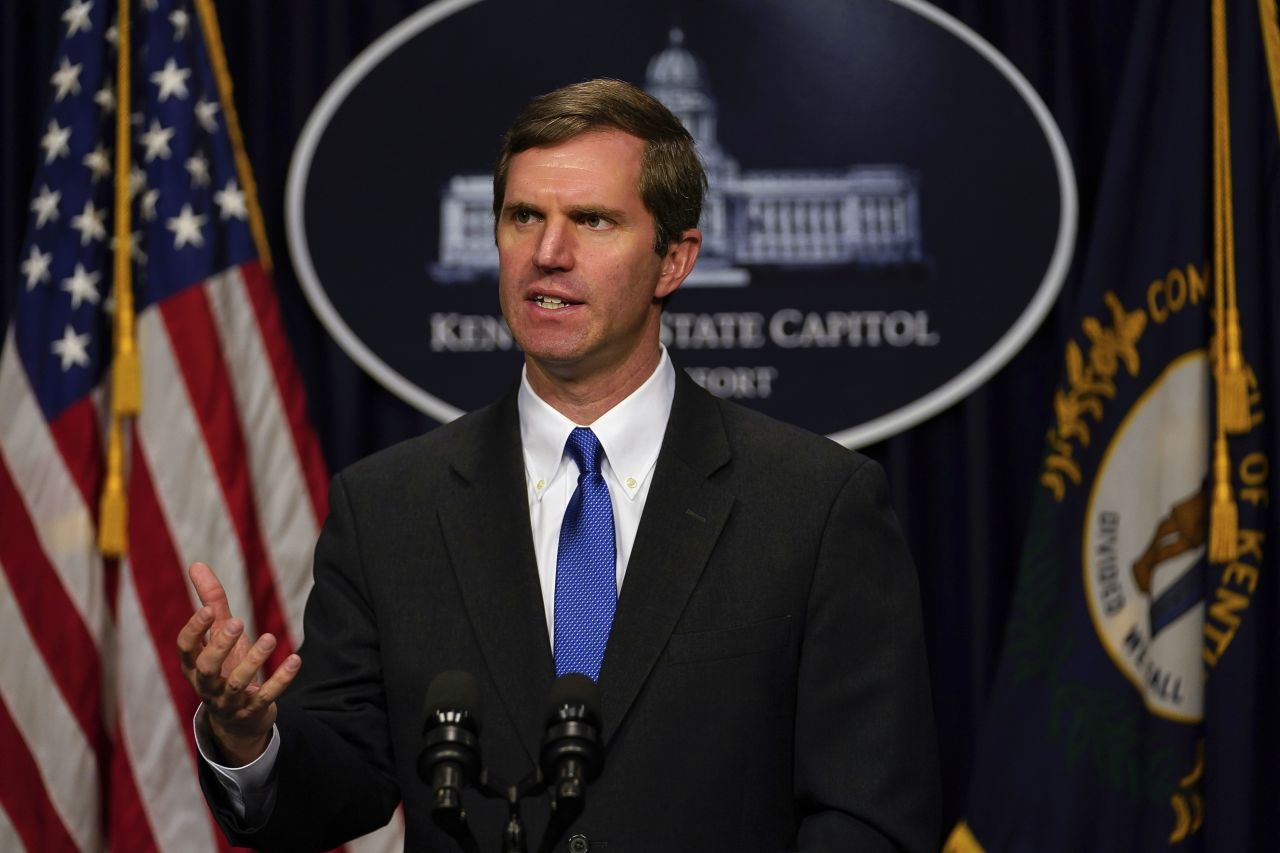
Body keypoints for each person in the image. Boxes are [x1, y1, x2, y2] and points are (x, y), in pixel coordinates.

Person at [178, 78, 941, 852]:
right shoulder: (388, 508)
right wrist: (246, 739)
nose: (548, 253)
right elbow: (341, 785)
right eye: (523, 218)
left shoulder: (814, 504)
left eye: (592, 220)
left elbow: (868, 815)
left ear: (673, 260)